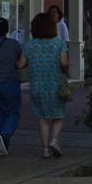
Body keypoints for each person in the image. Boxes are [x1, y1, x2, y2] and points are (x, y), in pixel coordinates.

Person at [26, 12, 70, 158]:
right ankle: (55, 140)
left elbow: (20, 63)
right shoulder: (59, 43)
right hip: (55, 84)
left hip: (37, 85)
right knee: (58, 115)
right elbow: (64, 63)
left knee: (43, 117)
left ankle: (45, 150)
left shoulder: (30, 44)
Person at [0, 17, 27, 155]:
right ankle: (4, 135)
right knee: (12, 113)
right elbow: (19, 62)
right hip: (10, 82)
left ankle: (2, 147)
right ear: (7, 30)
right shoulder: (14, 44)